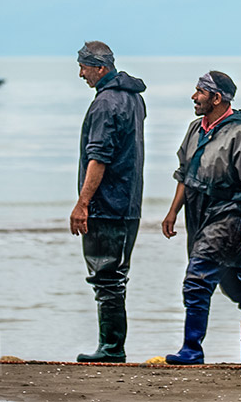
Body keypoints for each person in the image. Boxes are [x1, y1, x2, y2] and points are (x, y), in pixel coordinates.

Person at [162, 71, 241, 365]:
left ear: (216, 98)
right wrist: (173, 211)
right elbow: (185, 176)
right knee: (237, 283)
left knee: (197, 279)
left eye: (200, 91)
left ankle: (191, 349)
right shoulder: (194, 129)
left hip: (230, 217)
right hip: (199, 215)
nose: (193, 96)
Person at [72, 41, 147, 363]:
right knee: (116, 276)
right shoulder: (134, 99)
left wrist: (83, 203)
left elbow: (99, 157)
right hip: (129, 202)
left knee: (106, 278)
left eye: (84, 67)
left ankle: (112, 348)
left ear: (100, 68)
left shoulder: (105, 103)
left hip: (106, 203)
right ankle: (112, 346)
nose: (80, 74)